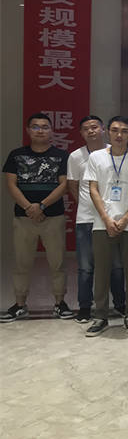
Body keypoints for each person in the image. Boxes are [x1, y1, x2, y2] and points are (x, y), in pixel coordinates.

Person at [84, 116, 128, 336]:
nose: (119, 135)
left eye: (124, 131)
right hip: (102, 223)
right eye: (114, 130)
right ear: (107, 132)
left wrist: (125, 218)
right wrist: (106, 218)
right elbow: (93, 189)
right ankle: (100, 316)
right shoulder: (96, 157)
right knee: (101, 271)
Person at [1, 113, 72, 322]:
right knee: (21, 262)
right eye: (35, 127)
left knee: (57, 262)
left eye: (44, 127)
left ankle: (60, 303)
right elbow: (11, 184)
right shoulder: (16, 155)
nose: (40, 130)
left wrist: (41, 206)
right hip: (23, 218)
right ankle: (19, 304)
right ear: (28, 130)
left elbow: (64, 185)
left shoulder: (62, 155)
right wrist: (29, 208)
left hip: (53, 216)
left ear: (51, 131)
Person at [68, 116, 125, 323]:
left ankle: (120, 304)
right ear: (81, 133)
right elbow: (73, 185)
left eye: (94, 127)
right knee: (86, 266)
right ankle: (85, 307)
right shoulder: (76, 156)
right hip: (86, 218)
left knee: (116, 265)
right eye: (86, 129)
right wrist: (90, 204)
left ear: (103, 130)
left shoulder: (115, 151)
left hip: (112, 217)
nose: (91, 131)